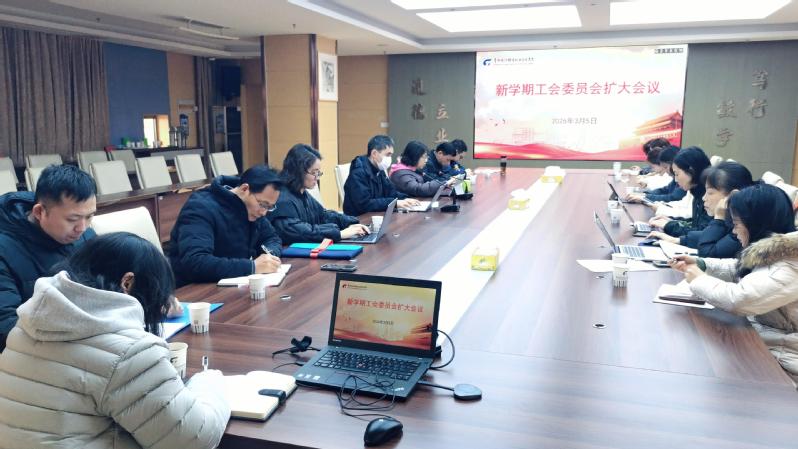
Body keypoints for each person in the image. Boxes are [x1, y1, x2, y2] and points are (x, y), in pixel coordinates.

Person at [0, 232, 230, 448]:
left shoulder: (26, 324)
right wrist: (210, 383)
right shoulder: (130, 351)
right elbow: (192, 440)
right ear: (127, 282)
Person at [669, 184, 798, 380]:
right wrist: (702, 264)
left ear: (757, 224)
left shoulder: (789, 265)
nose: (735, 231)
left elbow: (740, 299)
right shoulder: (775, 253)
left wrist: (699, 279)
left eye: (737, 224)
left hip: (785, 362)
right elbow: (739, 270)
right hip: (765, 343)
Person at [0, 164, 97, 352]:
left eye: (89, 217)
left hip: (87, 337)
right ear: (39, 212)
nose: (82, 228)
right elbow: (6, 328)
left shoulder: (86, 235)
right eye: (72, 219)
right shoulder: (5, 250)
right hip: (36, 352)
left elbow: (111, 281)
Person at [169, 164, 283, 286]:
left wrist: (269, 257)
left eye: (269, 207)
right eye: (263, 204)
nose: (264, 212)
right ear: (244, 189)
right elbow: (196, 261)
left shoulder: (252, 209)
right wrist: (252, 267)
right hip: (195, 289)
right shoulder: (200, 207)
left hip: (235, 284)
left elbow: (272, 238)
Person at [649, 161, 755, 258]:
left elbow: (707, 252)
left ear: (732, 195)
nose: (704, 198)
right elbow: (709, 235)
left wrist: (719, 218)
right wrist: (678, 240)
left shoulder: (743, 226)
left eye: (710, 193)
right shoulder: (732, 218)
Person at [270, 144, 369, 244]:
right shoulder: (281, 198)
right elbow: (297, 231)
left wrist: (351, 222)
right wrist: (339, 234)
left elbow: (323, 215)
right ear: (298, 171)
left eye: (318, 173)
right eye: (314, 173)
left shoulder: (301, 191)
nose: (317, 178)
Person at [343, 135, 419, 216]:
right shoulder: (358, 172)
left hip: (376, 214)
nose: (390, 158)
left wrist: (406, 198)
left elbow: (390, 192)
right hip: (359, 218)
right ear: (374, 153)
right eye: (388, 155)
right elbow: (364, 204)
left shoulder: (379, 169)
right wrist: (394, 203)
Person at [649, 146, 712, 237]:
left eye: (677, 174)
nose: (675, 180)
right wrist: (671, 221)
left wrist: (669, 225)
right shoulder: (697, 191)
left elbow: (701, 234)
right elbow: (695, 224)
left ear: (691, 170)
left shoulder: (708, 196)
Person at [390, 140, 457, 197]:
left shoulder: (413, 169)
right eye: (424, 157)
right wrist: (444, 183)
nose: (426, 160)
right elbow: (418, 189)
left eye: (427, 157)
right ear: (415, 156)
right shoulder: (401, 174)